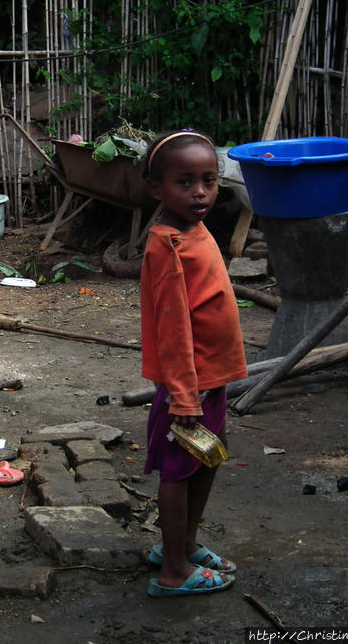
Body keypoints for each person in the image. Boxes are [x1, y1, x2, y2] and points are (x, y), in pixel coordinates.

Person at [139, 129, 248, 597]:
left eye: (209, 180)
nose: (200, 192)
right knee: (179, 469)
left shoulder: (192, 227)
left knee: (208, 457)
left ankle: (181, 544)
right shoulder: (168, 248)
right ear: (156, 189)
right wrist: (184, 395)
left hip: (210, 377)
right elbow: (174, 329)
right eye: (185, 182)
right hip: (192, 384)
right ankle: (174, 572)